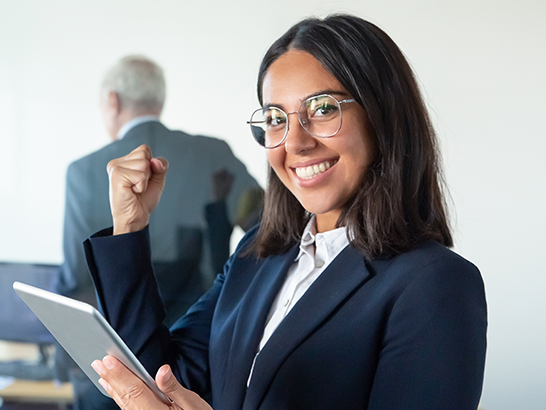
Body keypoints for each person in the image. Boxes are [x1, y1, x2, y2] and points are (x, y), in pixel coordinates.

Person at [85, 14, 487, 410]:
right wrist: (130, 227)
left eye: (324, 109)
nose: (294, 142)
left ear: (382, 117)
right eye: (276, 118)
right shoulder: (258, 254)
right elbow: (159, 380)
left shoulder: (436, 284)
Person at [57, 55, 261, 410]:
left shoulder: (83, 171)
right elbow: (271, 231)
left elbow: (75, 278)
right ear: (159, 101)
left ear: (113, 101)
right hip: (199, 369)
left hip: (110, 369)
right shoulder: (215, 154)